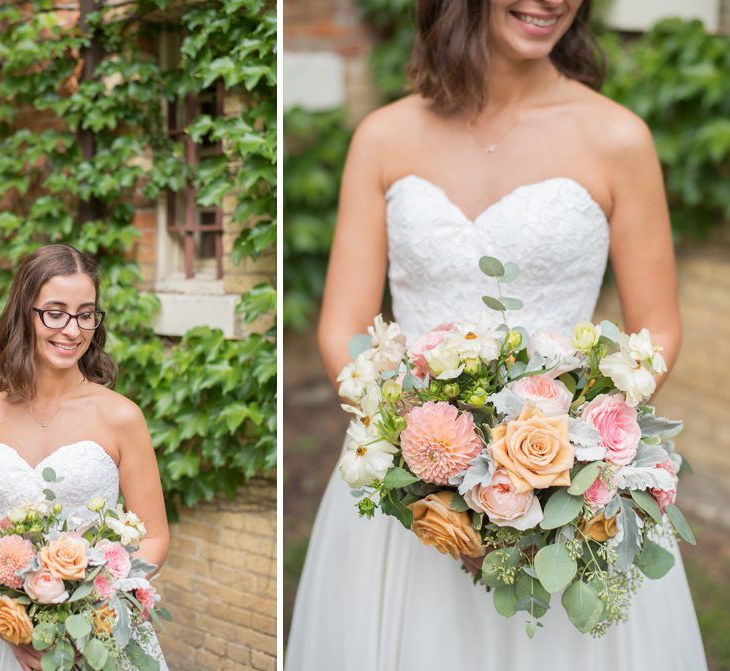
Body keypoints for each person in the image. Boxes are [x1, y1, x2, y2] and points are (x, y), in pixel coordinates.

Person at [285, 0, 707, 668]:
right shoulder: (383, 138)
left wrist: (563, 460)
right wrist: (421, 455)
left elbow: (657, 328)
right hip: (407, 493)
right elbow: (343, 326)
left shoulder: (619, 139)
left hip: (567, 489)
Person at [0, 244, 170, 671]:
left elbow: (154, 537)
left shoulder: (121, 417)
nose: (73, 329)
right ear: (26, 313)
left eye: (85, 313)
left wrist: (89, 612)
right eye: (55, 312)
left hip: (94, 631)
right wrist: (9, 623)